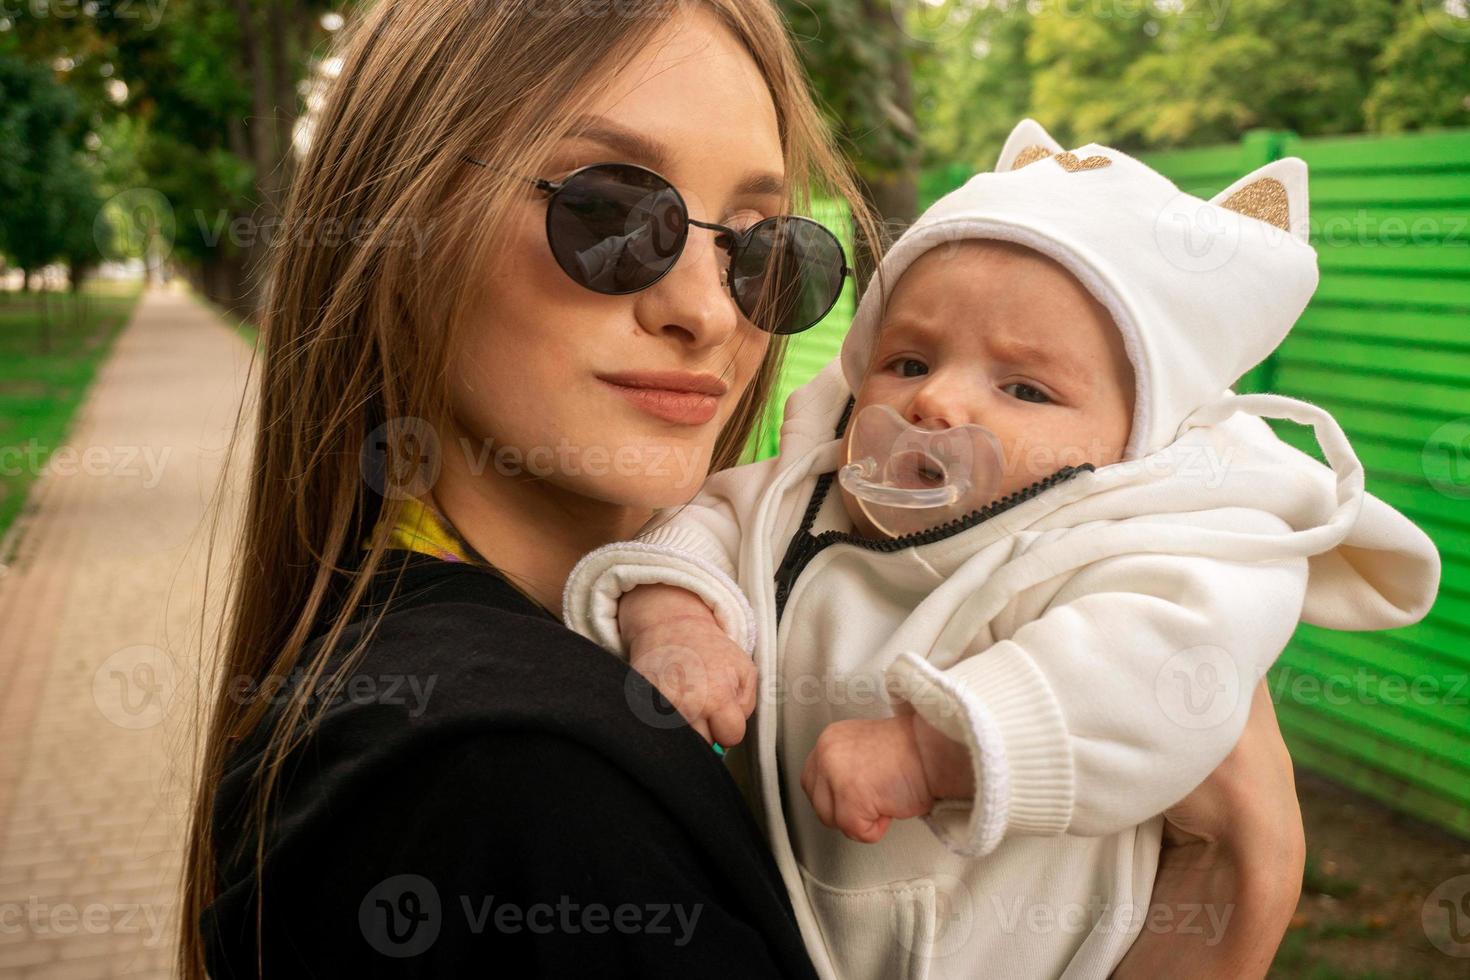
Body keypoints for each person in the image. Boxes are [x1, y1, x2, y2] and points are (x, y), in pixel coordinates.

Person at [180, 3, 1311, 978]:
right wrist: (1244, 895)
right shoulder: (514, 779)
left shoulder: (444, 671)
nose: (708, 311)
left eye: (763, 245)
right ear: (402, 218)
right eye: (610, 211)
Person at [562, 119, 1441, 978]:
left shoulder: (1152, 543)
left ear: (1142, 438)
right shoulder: (807, 492)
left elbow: (1156, 674)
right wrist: (678, 620)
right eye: (907, 362)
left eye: (1023, 386)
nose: (937, 403)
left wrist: (932, 753)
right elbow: (705, 526)